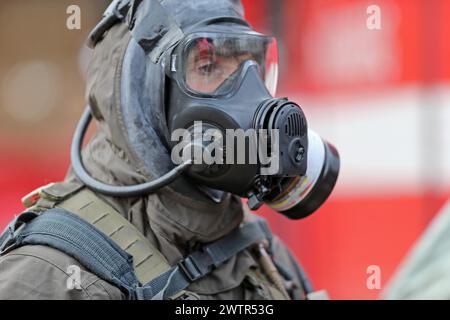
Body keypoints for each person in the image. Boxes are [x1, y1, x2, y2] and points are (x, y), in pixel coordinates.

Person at [0, 0, 339, 300]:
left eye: (251, 65)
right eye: (208, 67)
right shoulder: (52, 275)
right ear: (145, 99)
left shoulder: (259, 250)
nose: (250, 96)